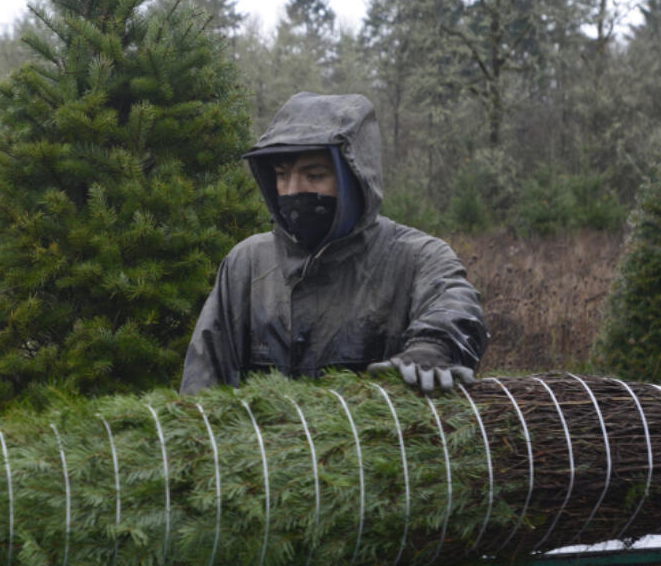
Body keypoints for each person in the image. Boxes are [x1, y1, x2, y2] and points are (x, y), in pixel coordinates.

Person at [180, 92, 486, 395]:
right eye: (281, 175)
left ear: (355, 179)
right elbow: (203, 382)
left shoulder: (415, 256)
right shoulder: (247, 263)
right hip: (261, 443)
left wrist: (433, 347)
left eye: (314, 176)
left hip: (379, 442)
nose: (292, 191)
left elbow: (454, 303)